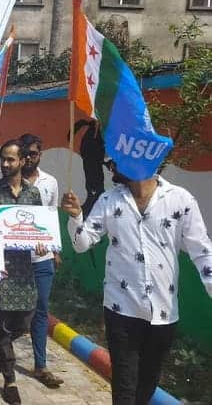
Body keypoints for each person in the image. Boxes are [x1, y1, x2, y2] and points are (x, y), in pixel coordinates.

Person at [62, 163, 212, 405]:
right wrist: (76, 216)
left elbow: (202, 250)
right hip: (121, 309)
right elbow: (82, 243)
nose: (116, 164)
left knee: (147, 384)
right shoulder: (109, 200)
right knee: (124, 385)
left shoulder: (180, 200)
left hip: (163, 313)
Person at [0, 140, 47, 405]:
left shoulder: (33, 195)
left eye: (11, 159)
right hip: (0, 270)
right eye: (3, 159)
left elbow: (40, 229)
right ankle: (10, 381)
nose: (6, 164)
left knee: (24, 322)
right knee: (2, 323)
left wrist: (44, 243)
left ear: (23, 161)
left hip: (24, 269)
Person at [18, 133, 65, 388]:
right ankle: (0, 343)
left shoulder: (51, 182)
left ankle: (40, 365)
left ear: (40, 155)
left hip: (42, 258)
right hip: (15, 261)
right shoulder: (9, 182)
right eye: (24, 154)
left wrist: (55, 251)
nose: (28, 159)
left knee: (41, 310)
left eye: (33, 154)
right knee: (12, 312)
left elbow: (52, 218)